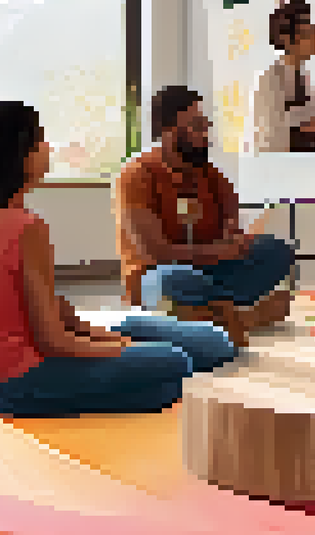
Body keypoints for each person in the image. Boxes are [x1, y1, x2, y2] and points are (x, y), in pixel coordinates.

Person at [0, 101, 238, 418]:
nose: (48, 148)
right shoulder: (24, 227)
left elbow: (60, 318)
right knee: (175, 361)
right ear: (15, 156)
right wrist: (123, 349)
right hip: (16, 385)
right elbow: (54, 342)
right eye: (39, 142)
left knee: (173, 338)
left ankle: (157, 374)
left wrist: (112, 338)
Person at [117, 86, 298, 347]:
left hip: (211, 274)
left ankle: (205, 312)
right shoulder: (136, 175)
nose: (206, 133)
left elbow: (231, 230)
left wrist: (236, 241)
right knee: (170, 278)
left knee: (276, 250)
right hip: (160, 275)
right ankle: (247, 315)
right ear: (168, 130)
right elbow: (155, 253)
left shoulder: (213, 176)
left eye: (206, 125)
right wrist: (219, 252)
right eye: (196, 125)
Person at [251, 0, 315, 153]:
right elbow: (272, 135)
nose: (314, 40)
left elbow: (311, 125)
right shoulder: (269, 79)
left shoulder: (303, 77)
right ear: (287, 39)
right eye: (307, 34)